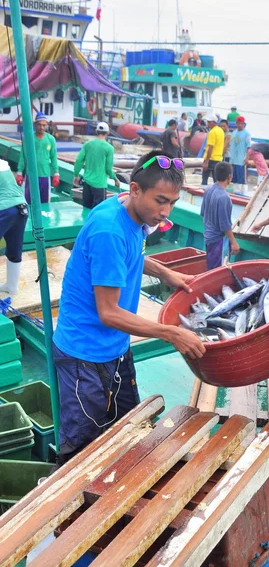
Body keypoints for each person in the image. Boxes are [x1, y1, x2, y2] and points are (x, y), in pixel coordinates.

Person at [52, 150, 206, 466]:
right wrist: (172, 334)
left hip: (116, 348)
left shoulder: (130, 211)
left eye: (173, 203)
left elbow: (129, 256)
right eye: (160, 200)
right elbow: (108, 313)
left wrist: (165, 272)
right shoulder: (108, 230)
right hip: (85, 355)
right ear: (135, 189)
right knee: (82, 447)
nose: (166, 211)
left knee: (129, 426)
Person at [200, 161, 240, 270]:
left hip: (208, 237)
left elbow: (203, 214)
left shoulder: (208, 190)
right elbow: (225, 226)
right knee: (217, 271)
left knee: (211, 268)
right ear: (229, 177)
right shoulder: (224, 197)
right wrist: (234, 242)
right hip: (218, 241)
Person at [73, 122, 120, 210]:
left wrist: (76, 175)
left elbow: (79, 160)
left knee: (86, 210)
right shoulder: (109, 148)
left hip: (87, 183)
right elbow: (108, 169)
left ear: (96, 131)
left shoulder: (87, 144)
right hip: (100, 185)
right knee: (98, 211)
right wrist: (115, 178)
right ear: (108, 133)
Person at [17, 112, 59, 204]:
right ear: (35, 124)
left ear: (47, 125)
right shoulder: (28, 138)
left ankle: (43, 219)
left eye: (44, 125)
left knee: (44, 203)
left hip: (44, 175)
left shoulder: (51, 139)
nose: (42, 127)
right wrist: (19, 172)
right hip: (31, 175)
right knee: (29, 201)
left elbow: (53, 157)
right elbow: (23, 156)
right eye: (39, 125)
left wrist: (56, 173)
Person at [0, 160, 28, 296]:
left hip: (4, 209)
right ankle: (11, 287)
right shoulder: (3, 164)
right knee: (14, 249)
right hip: (21, 207)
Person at [229, 116, 251, 193]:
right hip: (234, 160)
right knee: (234, 179)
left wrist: (247, 158)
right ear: (236, 123)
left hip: (241, 160)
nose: (240, 125)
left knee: (242, 180)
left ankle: (244, 194)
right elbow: (231, 145)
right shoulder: (234, 133)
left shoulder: (246, 134)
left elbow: (248, 147)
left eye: (241, 124)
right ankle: (236, 192)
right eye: (238, 123)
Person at [201, 115, 224, 186]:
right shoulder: (221, 131)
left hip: (211, 158)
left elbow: (211, 147)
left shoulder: (212, 132)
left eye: (209, 122)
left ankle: (203, 193)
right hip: (218, 158)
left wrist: (206, 161)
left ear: (214, 122)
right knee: (216, 180)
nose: (207, 124)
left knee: (204, 179)